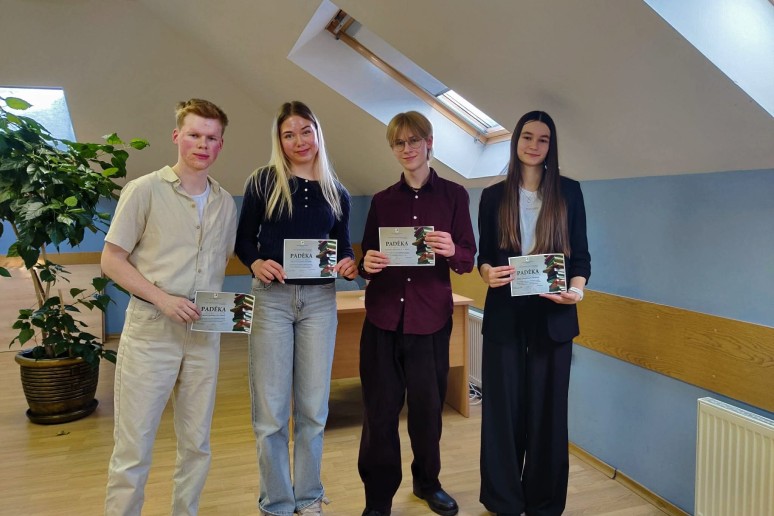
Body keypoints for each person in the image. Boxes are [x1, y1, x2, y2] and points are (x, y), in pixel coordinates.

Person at [103, 98, 237, 515]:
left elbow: (219, 264)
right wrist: (162, 299)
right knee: (134, 447)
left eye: (211, 138)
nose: (202, 144)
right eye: (194, 135)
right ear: (177, 135)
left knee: (197, 445)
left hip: (203, 338)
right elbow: (111, 260)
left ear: (220, 144)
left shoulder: (226, 203)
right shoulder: (143, 190)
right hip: (150, 334)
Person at [235, 101, 357, 516]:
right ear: (279, 140)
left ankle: (308, 497)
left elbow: (342, 245)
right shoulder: (263, 181)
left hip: (320, 303)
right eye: (289, 134)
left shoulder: (337, 191)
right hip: (271, 300)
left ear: (317, 133)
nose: (299, 141)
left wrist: (348, 263)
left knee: (313, 410)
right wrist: (256, 262)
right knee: (271, 412)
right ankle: (276, 503)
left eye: (306, 131)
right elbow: (244, 239)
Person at [357, 111, 476, 516]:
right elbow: (366, 257)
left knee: (427, 412)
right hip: (383, 320)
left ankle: (428, 483)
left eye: (413, 141)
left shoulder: (455, 196)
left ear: (429, 143)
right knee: (379, 414)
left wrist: (452, 250)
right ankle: (378, 500)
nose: (406, 149)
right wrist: (368, 263)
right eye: (399, 143)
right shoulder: (382, 200)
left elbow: (467, 258)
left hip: (430, 320)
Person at [477, 110, 591, 515]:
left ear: (551, 146)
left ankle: (544, 503)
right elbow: (484, 257)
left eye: (543, 139)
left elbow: (581, 257)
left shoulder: (570, 192)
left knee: (548, 414)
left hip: (553, 318)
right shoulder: (493, 196)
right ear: (515, 141)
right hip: (505, 316)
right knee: (502, 413)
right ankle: (504, 501)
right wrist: (487, 272)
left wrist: (576, 292)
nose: (534, 145)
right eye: (527, 136)